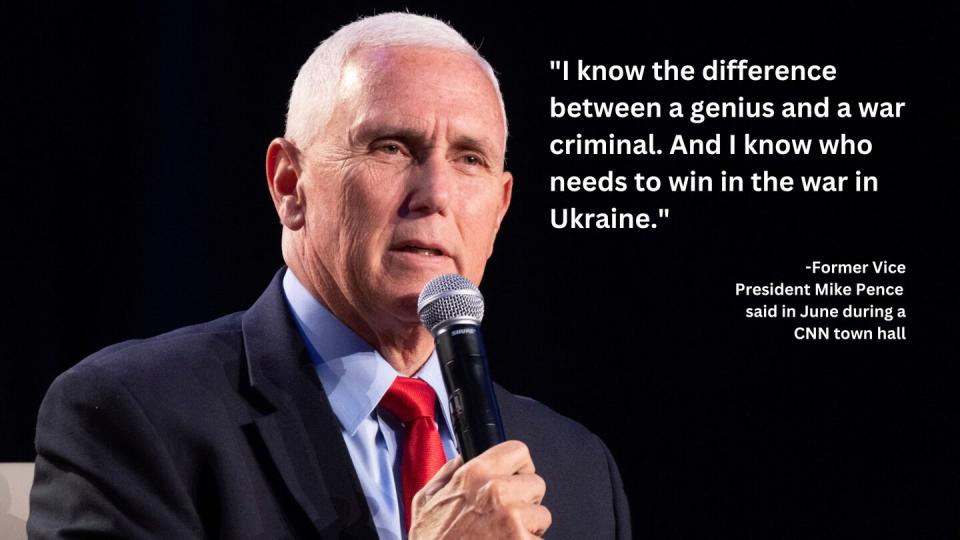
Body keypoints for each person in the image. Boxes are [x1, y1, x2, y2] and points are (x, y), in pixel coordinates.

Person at [28, 13, 631, 539]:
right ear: (290, 186)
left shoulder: (576, 469)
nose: (436, 194)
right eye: (391, 147)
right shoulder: (137, 416)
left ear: (499, 211)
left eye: (469, 159)